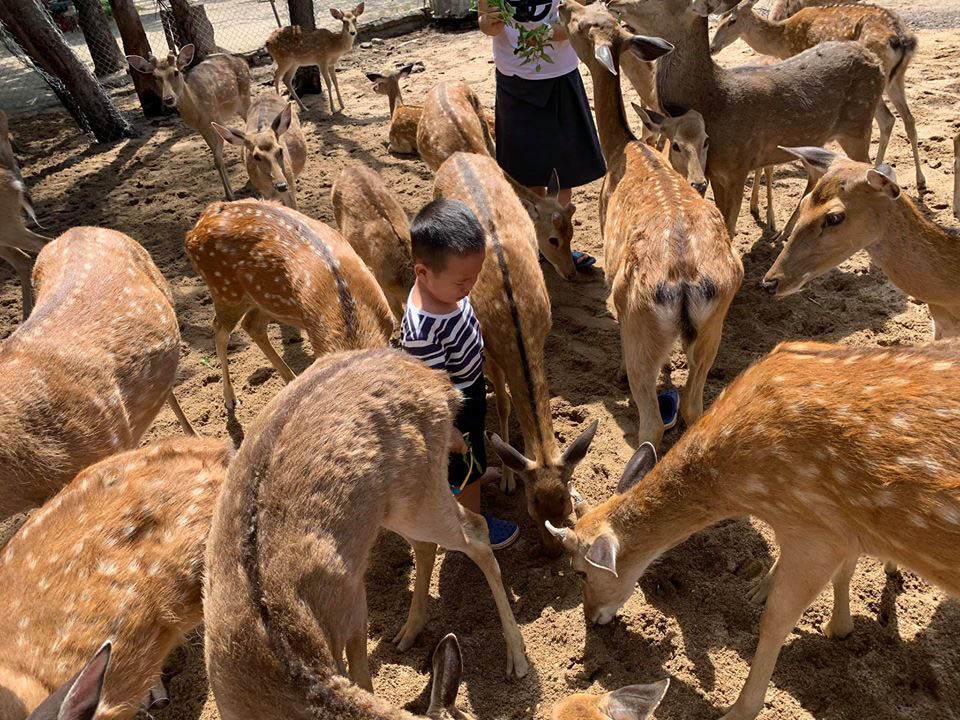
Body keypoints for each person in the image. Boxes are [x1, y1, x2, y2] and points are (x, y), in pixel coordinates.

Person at [401, 197, 520, 550]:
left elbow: (465, 322)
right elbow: (432, 389)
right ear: (423, 272)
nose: (469, 287)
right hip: (453, 408)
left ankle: (476, 479)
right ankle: (473, 525)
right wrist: (448, 428)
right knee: (464, 466)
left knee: (475, 455)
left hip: (470, 388)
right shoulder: (422, 329)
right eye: (462, 281)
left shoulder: (447, 292)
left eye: (475, 277)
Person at [478, 0, 605, 271]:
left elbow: (575, 22)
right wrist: (487, 24)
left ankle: (559, 244)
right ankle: (536, 247)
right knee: (527, 172)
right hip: (514, 79)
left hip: (559, 75)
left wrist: (539, 36)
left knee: (564, 169)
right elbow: (484, 21)